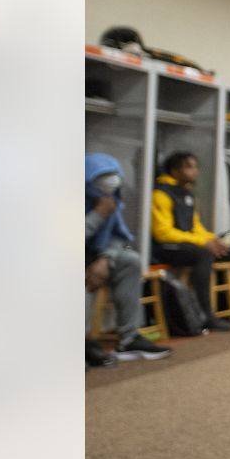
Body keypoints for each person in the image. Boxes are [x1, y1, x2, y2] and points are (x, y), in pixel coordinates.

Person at [151, 152, 230, 325]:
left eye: (196, 167)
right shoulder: (161, 194)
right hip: (166, 247)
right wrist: (203, 242)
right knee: (203, 254)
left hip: (187, 244)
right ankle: (205, 314)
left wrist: (213, 239)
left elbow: (195, 226)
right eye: (189, 167)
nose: (195, 172)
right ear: (174, 170)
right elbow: (162, 233)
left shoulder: (187, 193)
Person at [86, 153, 172, 365]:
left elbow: (117, 238)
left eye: (113, 174)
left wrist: (107, 257)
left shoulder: (111, 200)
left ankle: (129, 338)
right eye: (102, 175)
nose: (111, 180)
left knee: (129, 260)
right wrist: (98, 214)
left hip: (95, 257)